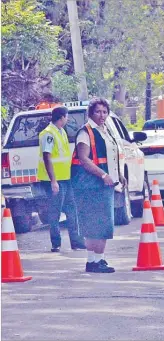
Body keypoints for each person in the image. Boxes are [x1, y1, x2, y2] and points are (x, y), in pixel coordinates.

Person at [71, 97, 126, 273]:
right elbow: (84, 159)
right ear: (91, 113)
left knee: (103, 224)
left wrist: (119, 175)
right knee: (95, 225)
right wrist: (103, 174)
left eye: (104, 112)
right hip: (90, 186)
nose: (102, 115)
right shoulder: (85, 132)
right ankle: (93, 262)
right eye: (98, 112)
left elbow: (111, 156)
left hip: (105, 185)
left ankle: (98, 260)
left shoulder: (105, 130)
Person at [37, 106, 86, 252]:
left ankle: (76, 242)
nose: (67, 119)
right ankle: (56, 243)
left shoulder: (61, 131)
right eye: (66, 116)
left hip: (65, 178)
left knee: (72, 209)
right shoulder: (49, 134)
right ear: (62, 117)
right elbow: (47, 156)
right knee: (55, 212)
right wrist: (53, 181)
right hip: (54, 180)